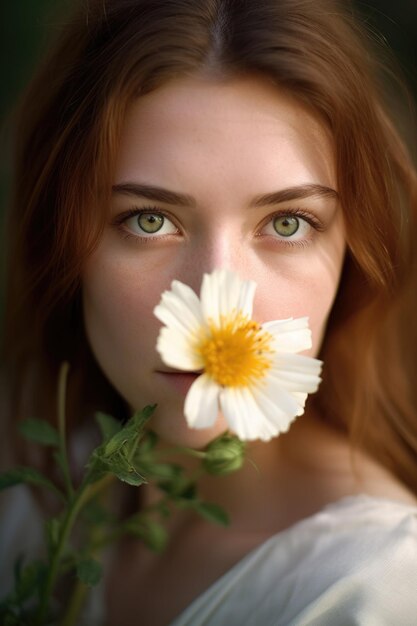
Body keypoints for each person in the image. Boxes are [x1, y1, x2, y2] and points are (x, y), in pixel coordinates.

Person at [2, 0, 417, 624]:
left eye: (287, 222)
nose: (218, 298)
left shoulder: (371, 588)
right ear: (59, 239)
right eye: (149, 220)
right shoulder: (34, 489)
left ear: (353, 250)